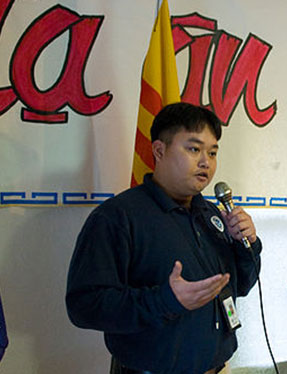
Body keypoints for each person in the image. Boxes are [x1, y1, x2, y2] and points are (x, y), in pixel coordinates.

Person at [66, 102, 262, 374]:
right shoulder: (117, 217)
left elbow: (240, 286)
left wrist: (247, 245)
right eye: (194, 149)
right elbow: (84, 307)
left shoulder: (211, 214)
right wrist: (165, 300)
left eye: (213, 152)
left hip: (219, 367)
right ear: (159, 150)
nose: (206, 162)